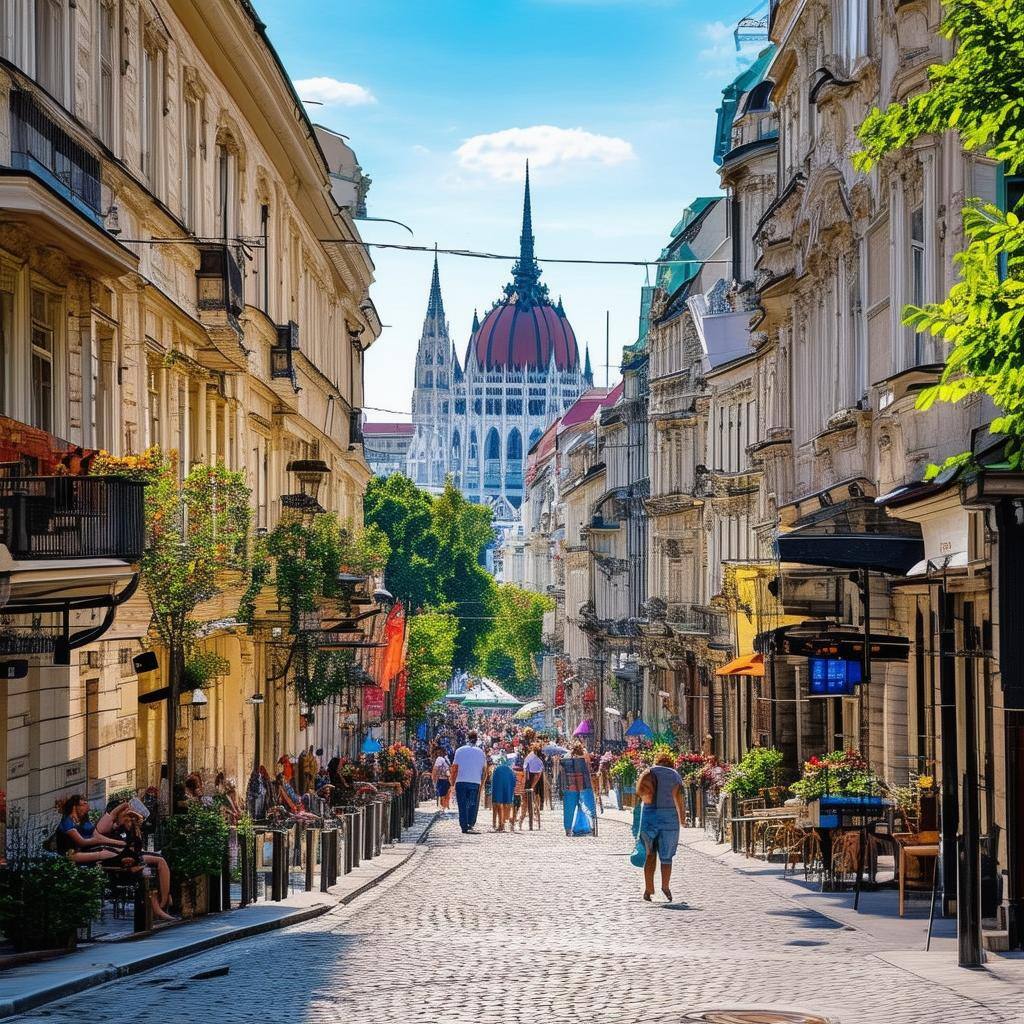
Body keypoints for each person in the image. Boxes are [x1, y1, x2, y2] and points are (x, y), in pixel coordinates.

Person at [103, 804, 175, 922]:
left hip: (135, 857)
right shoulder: (115, 829)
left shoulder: (128, 827)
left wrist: (134, 823)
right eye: (125, 811)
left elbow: (138, 842)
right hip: (123, 865)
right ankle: (160, 907)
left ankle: (164, 900)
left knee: (160, 862)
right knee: (154, 866)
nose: (128, 813)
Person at [636, 751, 686, 902]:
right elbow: (679, 798)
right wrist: (682, 818)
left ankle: (648, 889)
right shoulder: (675, 775)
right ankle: (665, 886)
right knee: (666, 857)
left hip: (649, 816)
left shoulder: (649, 772)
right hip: (669, 818)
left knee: (650, 854)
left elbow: (641, 794)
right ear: (671, 764)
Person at [53, 795, 126, 864]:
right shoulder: (67, 822)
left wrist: (118, 843)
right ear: (75, 807)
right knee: (104, 854)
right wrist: (97, 841)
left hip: (83, 849)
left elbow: (96, 835)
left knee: (112, 848)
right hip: (70, 854)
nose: (88, 808)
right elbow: (82, 842)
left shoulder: (83, 819)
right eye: (84, 804)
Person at [450, 730, 486, 834]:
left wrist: (452, 782)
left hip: (461, 781)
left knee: (462, 804)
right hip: (475, 781)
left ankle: (464, 825)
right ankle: (470, 822)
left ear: (467, 738)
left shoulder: (459, 750)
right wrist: (482, 784)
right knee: (472, 803)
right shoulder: (480, 752)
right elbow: (484, 770)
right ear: (476, 739)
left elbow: (455, 768)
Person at [560, 741, 597, 836]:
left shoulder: (567, 756)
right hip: (583, 785)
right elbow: (588, 769)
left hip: (570, 785)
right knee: (588, 806)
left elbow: (562, 770)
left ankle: (568, 830)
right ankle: (593, 827)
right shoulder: (585, 756)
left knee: (569, 809)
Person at [490, 751, 516, 833]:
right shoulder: (511, 771)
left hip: (497, 791)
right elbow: (514, 783)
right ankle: (503, 823)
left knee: (498, 805)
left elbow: (493, 782)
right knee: (506, 805)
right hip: (507, 792)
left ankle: (498, 824)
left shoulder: (497, 769)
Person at [522, 743, 545, 828]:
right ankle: (534, 817)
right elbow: (538, 773)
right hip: (534, 779)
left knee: (531, 799)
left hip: (532, 779)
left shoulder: (531, 757)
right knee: (535, 799)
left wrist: (530, 785)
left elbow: (535, 774)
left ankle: (531, 816)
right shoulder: (536, 758)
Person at [431, 744, 452, 811]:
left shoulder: (439, 759)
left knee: (442, 796)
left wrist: (433, 779)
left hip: (442, 780)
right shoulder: (446, 759)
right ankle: (445, 809)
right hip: (448, 780)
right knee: (446, 796)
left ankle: (443, 810)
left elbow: (435, 769)